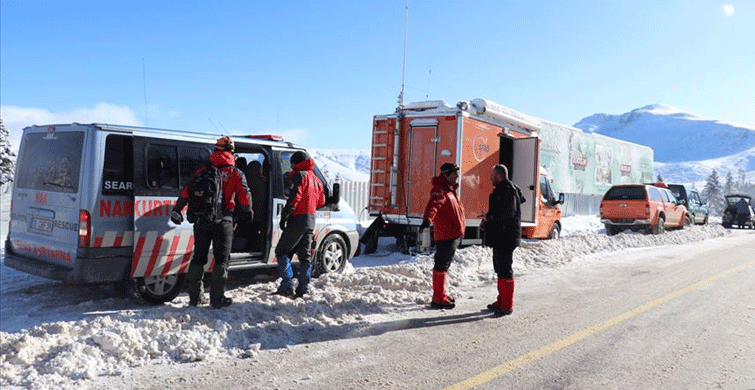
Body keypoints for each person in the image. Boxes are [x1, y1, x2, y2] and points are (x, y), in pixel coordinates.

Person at [170, 137, 252, 308]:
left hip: (201, 220)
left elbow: (186, 191)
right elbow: (245, 197)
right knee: (222, 259)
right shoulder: (235, 172)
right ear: (231, 151)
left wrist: (178, 209)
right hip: (224, 221)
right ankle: (217, 299)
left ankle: (195, 297)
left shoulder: (201, 171)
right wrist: (247, 212)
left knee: (198, 257)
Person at [273, 151, 325, 298]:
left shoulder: (299, 175)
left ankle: (287, 285)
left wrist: (285, 214)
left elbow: (295, 197)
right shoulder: (316, 179)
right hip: (310, 221)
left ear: (295, 163)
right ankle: (303, 288)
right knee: (305, 256)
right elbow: (321, 201)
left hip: (297, 219)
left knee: (282, 251)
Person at [419, 162, 466, 309]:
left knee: (444, 266)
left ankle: (441, 294)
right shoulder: (440, 190)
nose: (457, 176)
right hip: (445, 236)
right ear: (446, 174)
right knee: (441, 266)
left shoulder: (449, 190)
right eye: (454, 174)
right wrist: (427, 220)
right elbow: (433, 205)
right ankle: (438, 298)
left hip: (452, 235)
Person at [481, 164, 525, 317]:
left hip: (507, 236)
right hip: (500, 236)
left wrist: (490, 217)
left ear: (499, 175)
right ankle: (501, 300)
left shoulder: (508, 190)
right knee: (499, 268)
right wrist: (488, 220)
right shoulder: (501, 189)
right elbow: (500, 211)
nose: (490, 178)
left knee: (505, 269)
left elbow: (508, 213)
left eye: (492, 175)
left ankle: (507, 305)